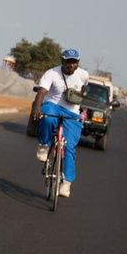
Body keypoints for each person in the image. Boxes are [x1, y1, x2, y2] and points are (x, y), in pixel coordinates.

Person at [31, 48, 89, 198]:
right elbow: (42, 92)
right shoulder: (52, 73)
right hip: (53, 105)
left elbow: (83, 88)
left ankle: (66, 183)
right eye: (68, 61)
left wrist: (77, 98)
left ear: (78, 63)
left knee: (69, 147)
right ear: (62, 61)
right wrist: (37, 108)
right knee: (48, 118)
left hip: (72, 112)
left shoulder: (83, 75)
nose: (71, 65)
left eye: (74, 62)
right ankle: (44, 145)